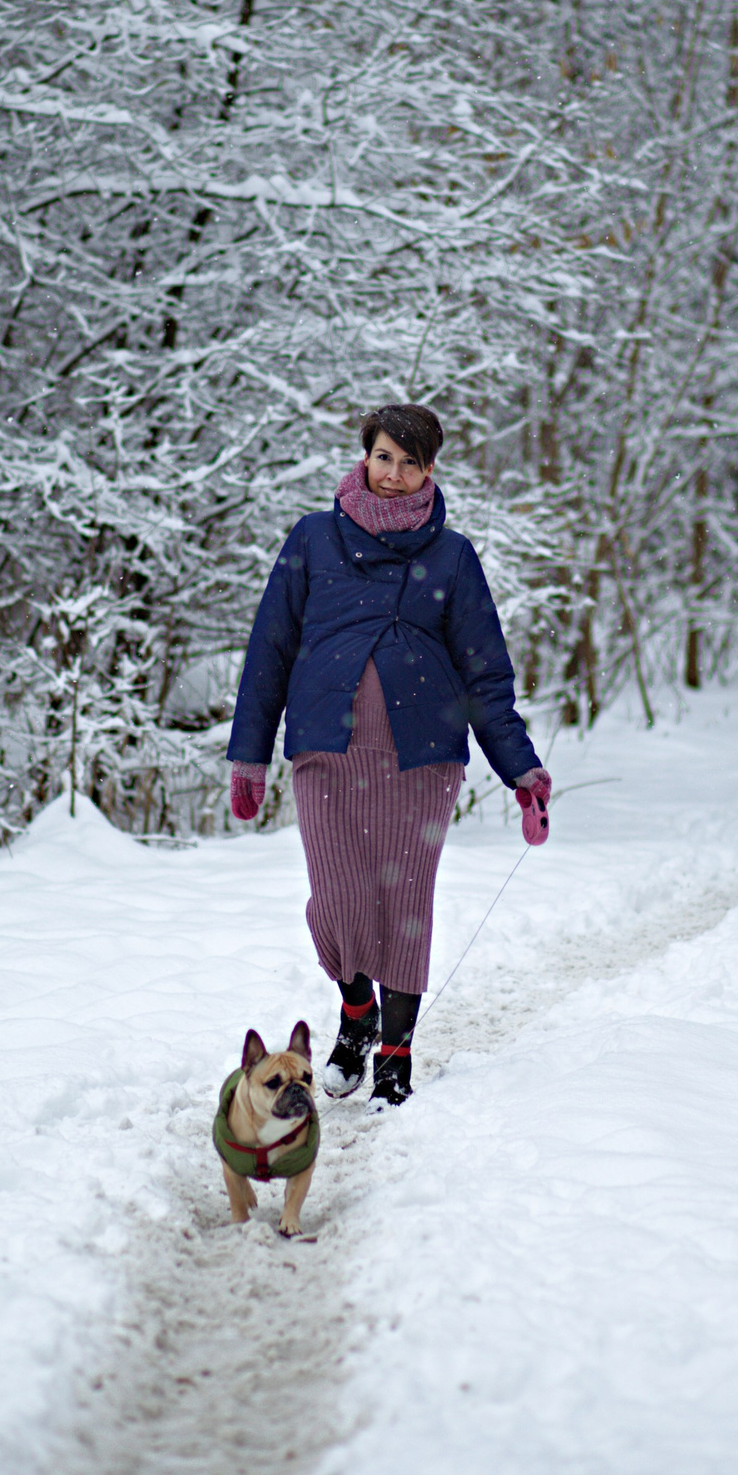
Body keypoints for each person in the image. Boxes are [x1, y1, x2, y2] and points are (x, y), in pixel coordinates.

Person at [226, 404, 552, 1107]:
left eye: (410, 463)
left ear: (429, 470)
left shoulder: (453, 555)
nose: (395, 474)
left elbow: (485, 672)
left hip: (422, 759)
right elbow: (270, 650)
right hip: (327, 751)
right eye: (383, 458)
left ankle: (396, 1054)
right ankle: (356, 1011)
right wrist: (248, 756)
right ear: (363, 458)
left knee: (405, 904)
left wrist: (521, 769)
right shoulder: (314, 539)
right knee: (339, 901)